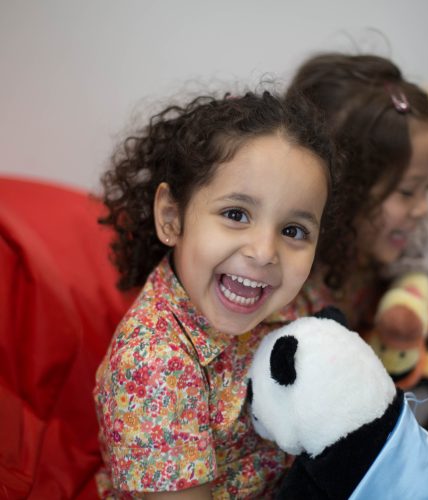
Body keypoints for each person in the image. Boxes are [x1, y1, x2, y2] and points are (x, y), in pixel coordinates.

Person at [93, 90, 342, 498]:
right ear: (172, 217)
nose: (264, 253)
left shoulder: (297, 300)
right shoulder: (153, 364)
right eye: (235, 214)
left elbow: (365, 411)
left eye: (293, 230)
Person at [286, 52, 428, 497]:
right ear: (343, 190)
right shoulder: (295, 295)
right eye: (408, 191)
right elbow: (358, 425)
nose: (424, 207)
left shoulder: (374, 249)